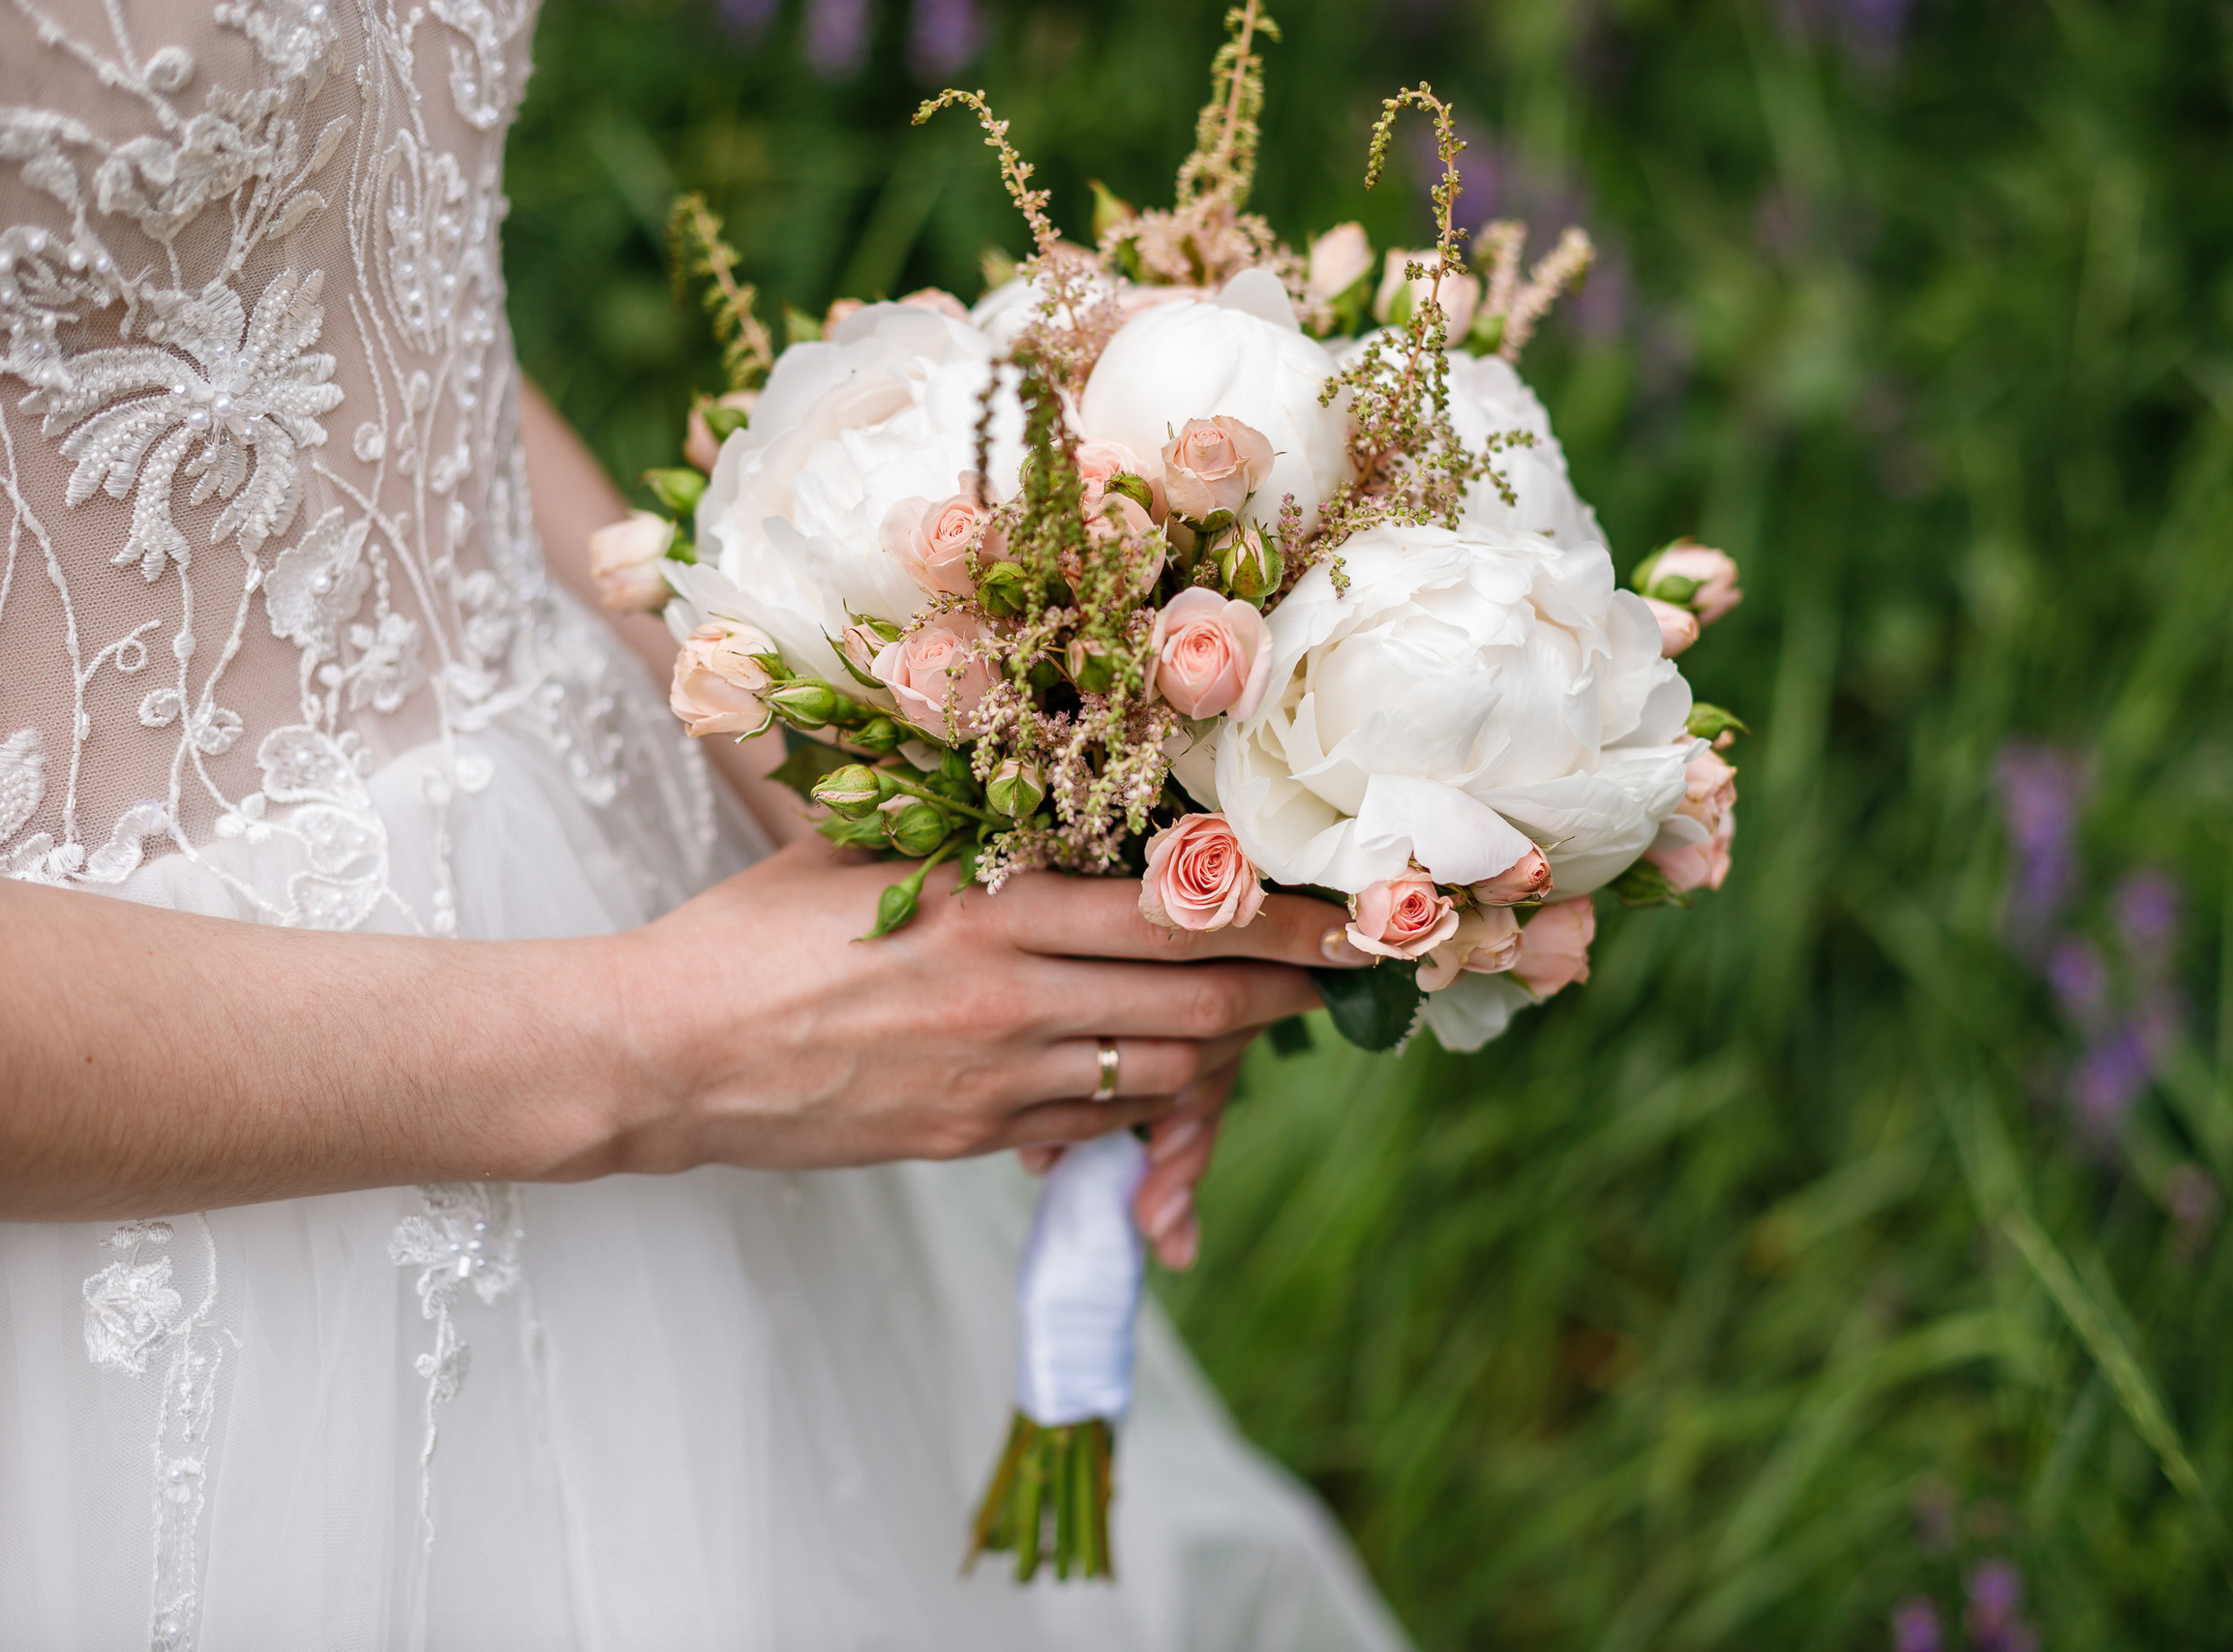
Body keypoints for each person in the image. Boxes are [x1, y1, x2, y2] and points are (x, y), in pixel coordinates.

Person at [0, 5, 1408, 1646]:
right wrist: (668, 1043)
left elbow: (347, 285)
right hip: (167, 1118)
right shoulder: (668, 1038)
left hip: (605, 835)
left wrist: (844, 763)